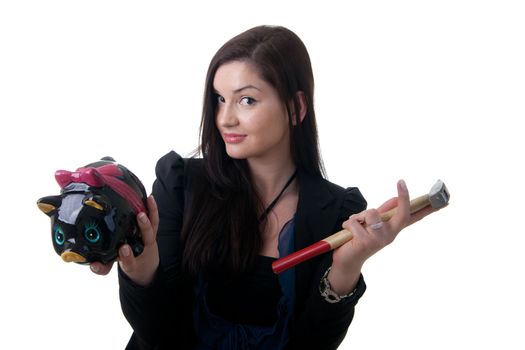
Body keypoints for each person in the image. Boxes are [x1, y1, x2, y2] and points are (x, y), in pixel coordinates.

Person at [91, 25, 438, 349]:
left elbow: (311, 345)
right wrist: (141, 269)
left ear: (295, 107)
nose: (225, 118)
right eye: (219, 99)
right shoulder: (181, 183)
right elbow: (159, 334)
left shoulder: (337, 209)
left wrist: (346, 269)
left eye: (246, 100)